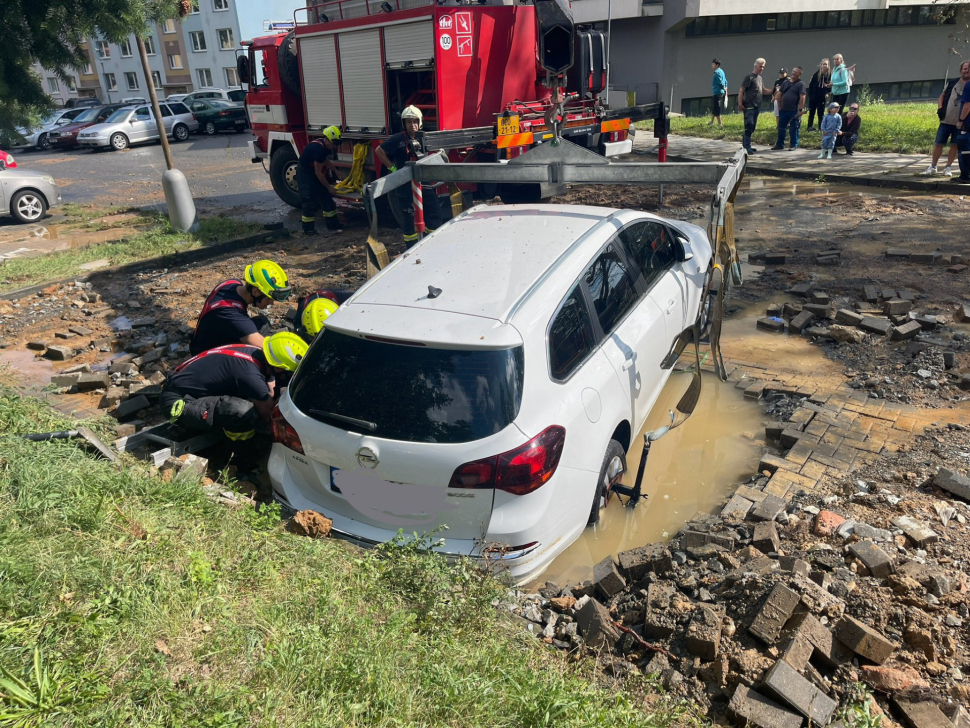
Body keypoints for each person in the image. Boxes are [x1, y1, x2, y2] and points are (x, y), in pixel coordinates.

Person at [161, 332, 307, 442]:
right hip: (178, 401)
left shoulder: (257, 353)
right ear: (278, 368)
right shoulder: (249, 374)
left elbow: (269, 389)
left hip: (191, 389)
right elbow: (268, 414)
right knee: (241, 411)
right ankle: (236, 450)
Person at [189, 260, 291, 356]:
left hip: (208, 338)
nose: (271, 303)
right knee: (260, 354)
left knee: (262, 322)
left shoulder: (232, 283)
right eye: (269, 299)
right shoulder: (231, 312)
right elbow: (267, 349)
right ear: (255, 292)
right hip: (205, 354)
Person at [375, 105, 443, 247]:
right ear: (404, 124)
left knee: (434, 211)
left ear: (420, 122)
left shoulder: (425, 137)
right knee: (408, 216)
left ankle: (431, 242)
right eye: (408, 122)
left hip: (423, 182)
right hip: (405, 185)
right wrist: (393, 168)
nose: (412, 125)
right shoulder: (398, 139)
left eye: (415, 121)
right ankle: (411, 247)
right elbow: (379, 150)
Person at [921, 61, 970, 176]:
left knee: (954, 145)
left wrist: (962, 120)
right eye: (964, 68)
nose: (966, 71)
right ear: (961, 70)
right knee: (939, 143)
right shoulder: (953, 82)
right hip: (946, 120)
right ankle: (933, 166)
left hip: (960, 123)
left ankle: (948, 167)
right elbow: (941, 96)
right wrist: (940, 108)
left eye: (968, 69)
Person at [298, 125, 345, 235]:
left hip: (314, 172)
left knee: (326, 198)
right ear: (327, 139)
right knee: (310, 201)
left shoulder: (324, 146)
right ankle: (308, 229)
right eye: (333, 143)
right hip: (305, 174)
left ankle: (332, 224)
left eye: (336, 144)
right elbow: (318, 172)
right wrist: (329, 187)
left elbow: (325, 160)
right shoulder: (317, 149)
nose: (334, 146)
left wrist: (335, 171)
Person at [738, 58, 768, 154]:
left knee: (753, 127)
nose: (762, 68)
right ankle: (747, 147)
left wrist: (776, 90)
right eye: (760, 66)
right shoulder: (749, 77)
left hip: (757, 106)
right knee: (749, 126)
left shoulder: (760, 78)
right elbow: (741, 90)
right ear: (755, 66)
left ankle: (746, 145)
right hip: (749, 106)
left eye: (763, 67)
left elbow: (763, 90)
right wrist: (740, 103)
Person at [773, 66, 806, 150]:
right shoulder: (785, 82)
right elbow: (779, 94)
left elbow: (802, 97)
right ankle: (780, 144)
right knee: (781, 127)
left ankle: (793, 144)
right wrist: (779, 105)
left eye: (796, 72)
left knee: (794, 127)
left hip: (794, 110)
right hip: (783, 109)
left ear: (800, 74)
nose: (794, 73)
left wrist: (800, 110)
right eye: (793, 71)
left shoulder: (801, 84)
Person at [806, 59, 831, 131]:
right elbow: (811, 85)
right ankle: (809, 127)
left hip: (822, 96)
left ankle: (821, 127)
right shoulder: (816, 74)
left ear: (828, 65)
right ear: (821, 65)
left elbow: (830, 85)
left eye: (826, 64)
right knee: (812, 112)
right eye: (824, 64)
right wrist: (810, 95)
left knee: (820, 113)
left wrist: (828, 92)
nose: (825, 66)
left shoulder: (829, 75)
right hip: (814, 96)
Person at [957, 76, 970, 183]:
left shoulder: (969, 85)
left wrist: (961, 120)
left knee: (964, 150)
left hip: (967, 124)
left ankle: (965, 176)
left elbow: (967, 105)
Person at [709, 59, 728, 127]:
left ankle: (720, 123)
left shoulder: (717, 72)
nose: (712, 65)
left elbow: (720, 82)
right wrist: (726, 87)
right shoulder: (721, 71)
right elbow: (725, 80)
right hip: (720, 92)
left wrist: (723, 87)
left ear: (717, 65)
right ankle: (711, 121)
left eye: (713, 64)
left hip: (717, 92)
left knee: (717, 107)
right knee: (714, 107)